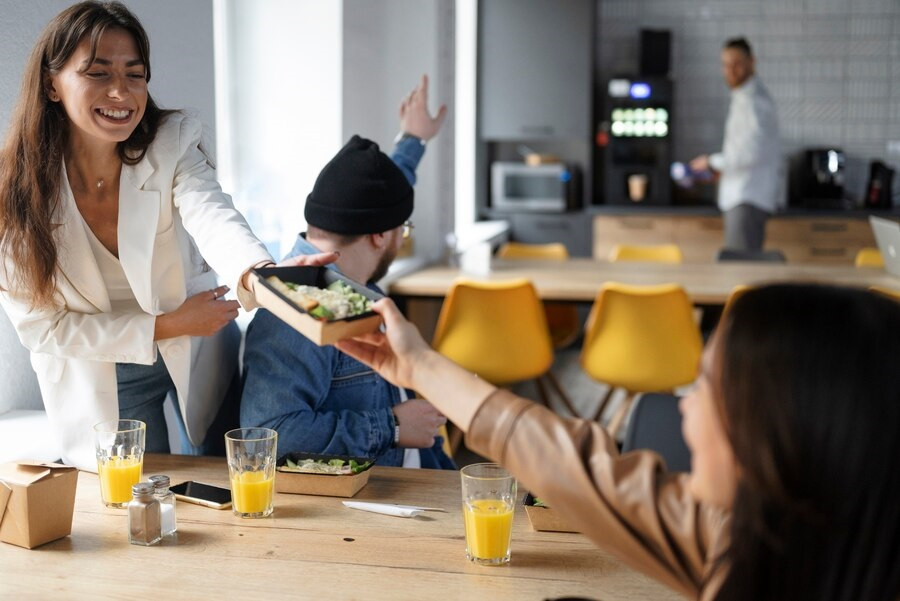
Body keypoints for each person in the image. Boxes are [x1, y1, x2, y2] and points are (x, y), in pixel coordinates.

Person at [335, 284, 900, 601]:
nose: (685, 407)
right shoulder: (744, 534)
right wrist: (420, 367)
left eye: (704, 385)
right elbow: (575, 466)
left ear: (785, 430)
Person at [0, 1, 334, 471]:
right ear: (52, 84)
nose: (121, 91)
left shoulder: (170, 141)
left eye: (135, 75)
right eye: (97, 73)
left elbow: (212, 213)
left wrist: (261, 275)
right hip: (105, 369)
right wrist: (168, 324)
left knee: (228, 474)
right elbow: (43, 328)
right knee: (141, 494)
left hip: (196, 347)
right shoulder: (14, 193)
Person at [240, 76, 453, 470]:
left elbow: (386, 190)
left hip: (420, 468)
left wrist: (413, 139)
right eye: (401, 232)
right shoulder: (298, 309)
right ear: (378, 235)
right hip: (382, 503)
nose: (400, 239)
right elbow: (265, 436)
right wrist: (389, 426)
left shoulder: (347, 256)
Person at [690, 37, 781, 252]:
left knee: (740, 275)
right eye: (725, 64)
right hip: (741, 197)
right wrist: (720, 170)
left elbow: (750, 154)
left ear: (752, 62)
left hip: (746, 200)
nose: (730, 70)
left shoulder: (754, 103)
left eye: (737, 64)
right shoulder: (743, 98)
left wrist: (711, 162)